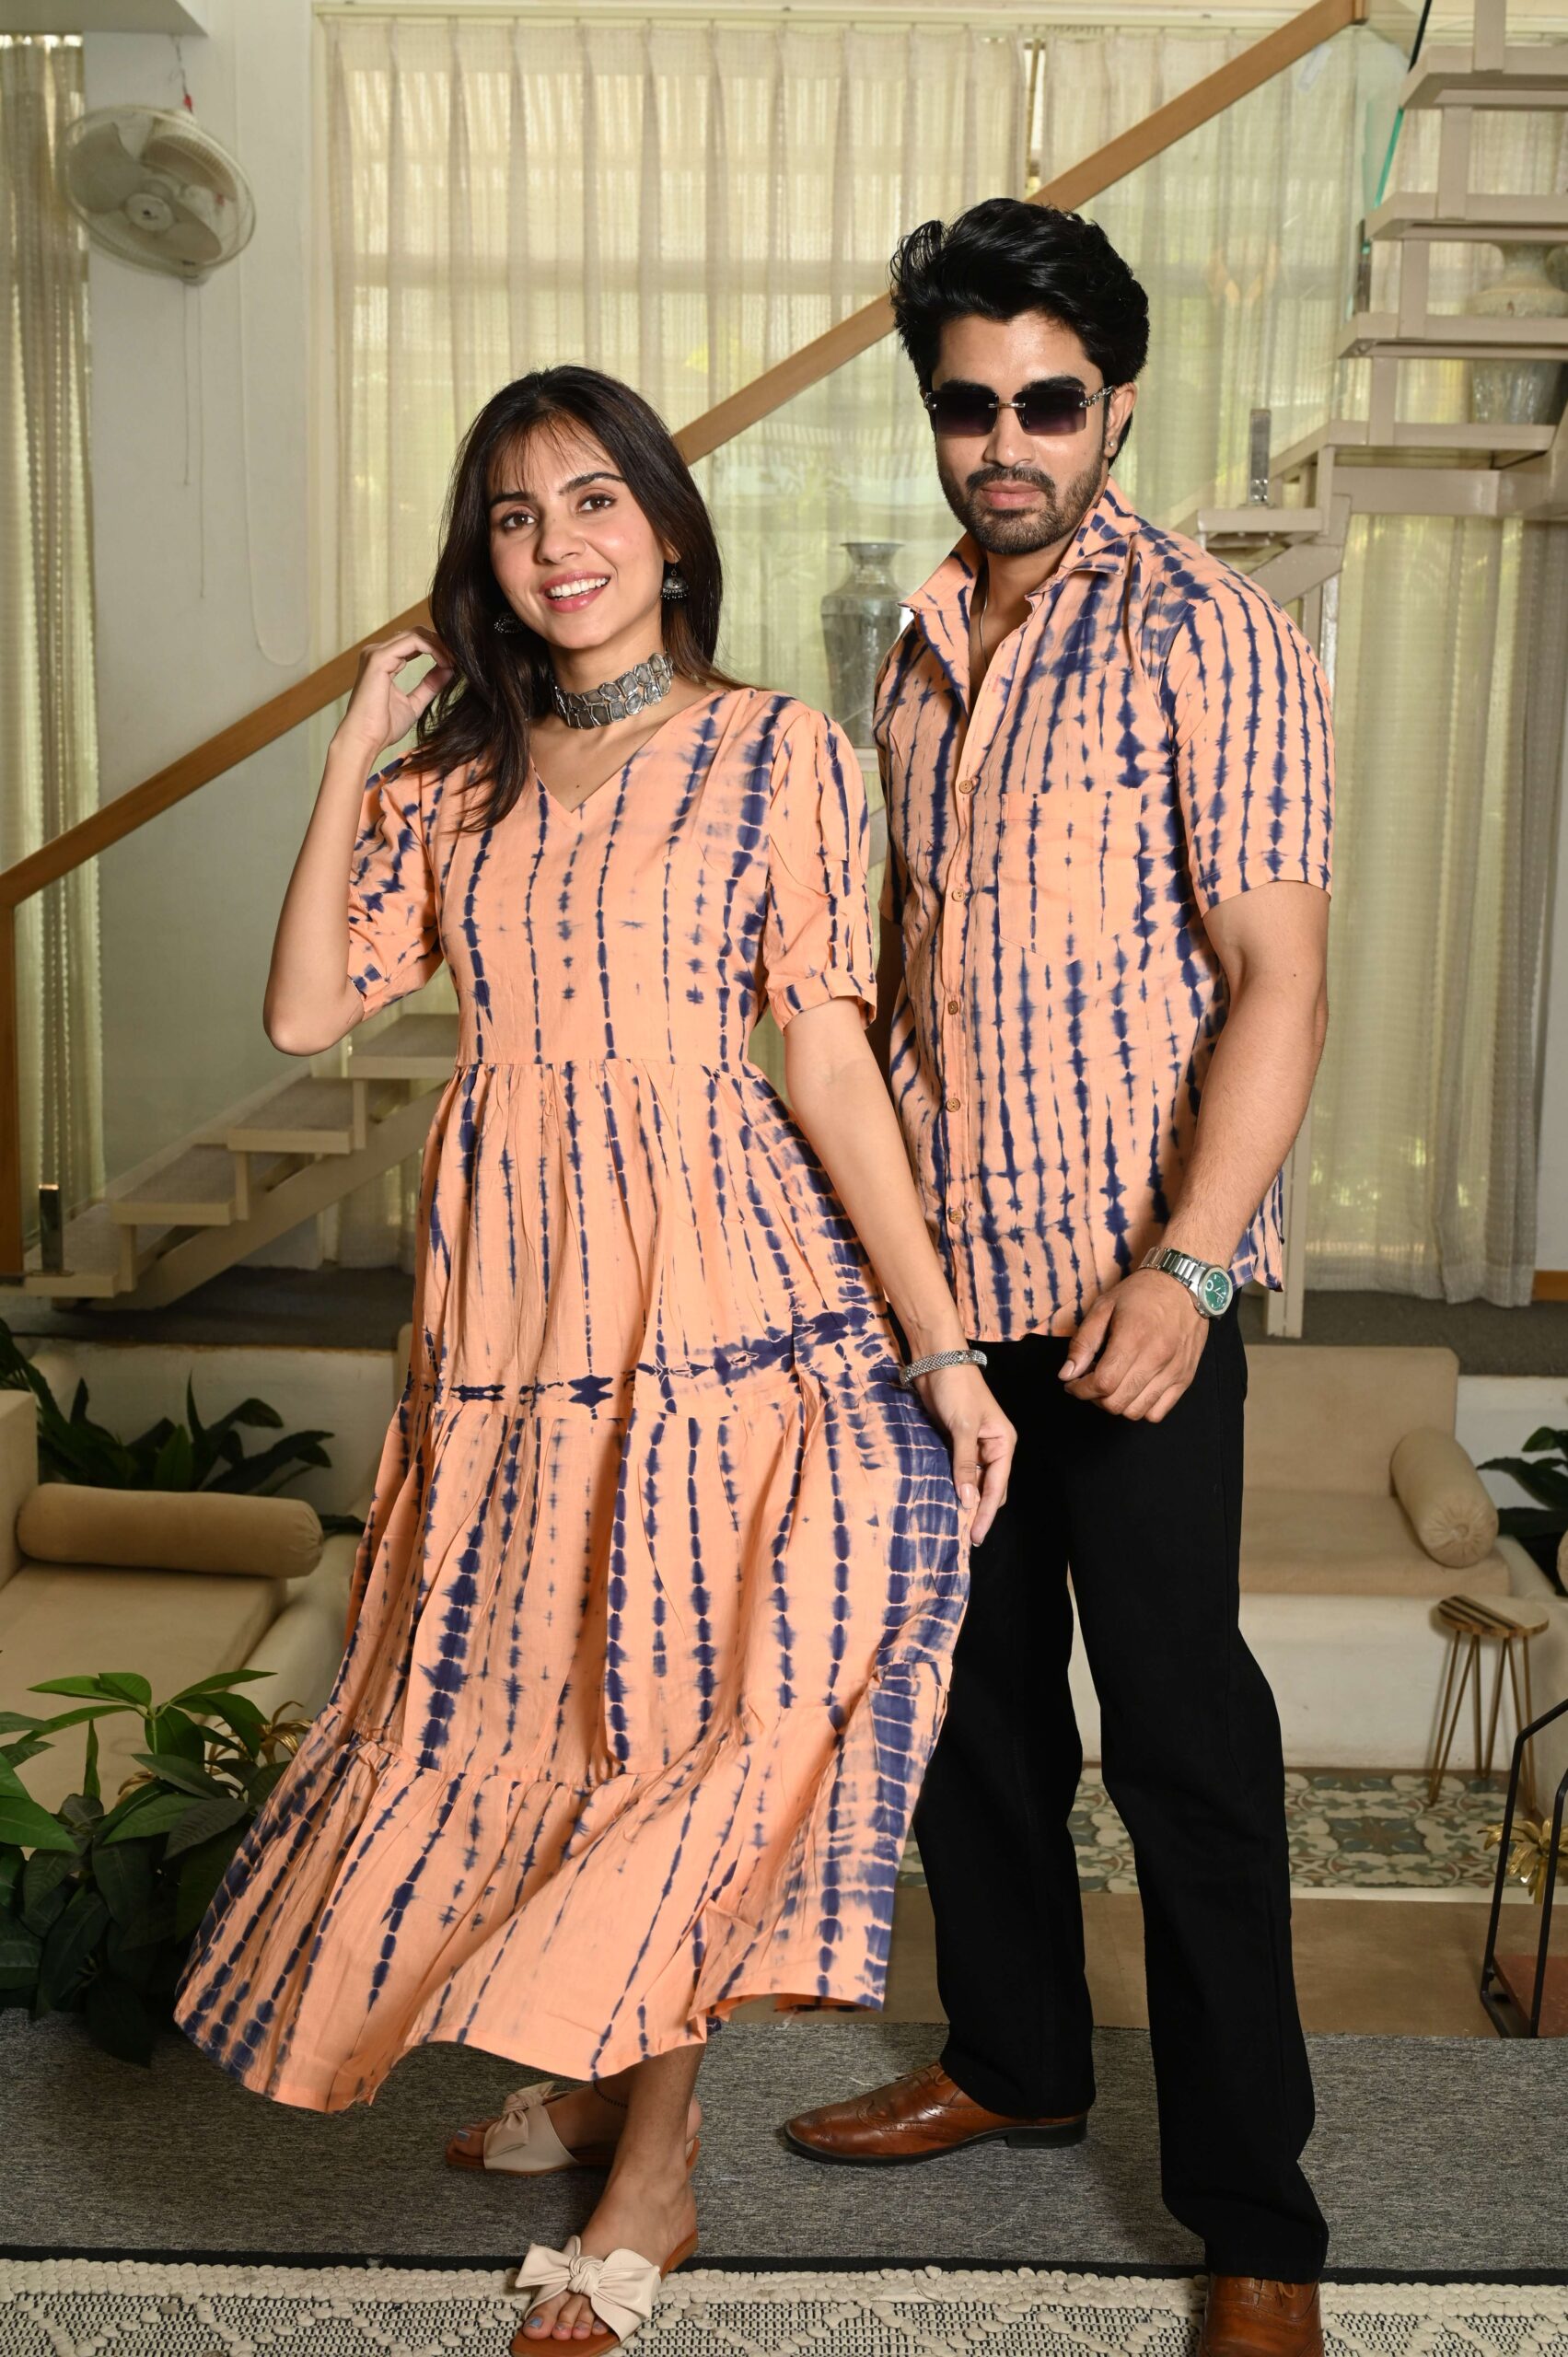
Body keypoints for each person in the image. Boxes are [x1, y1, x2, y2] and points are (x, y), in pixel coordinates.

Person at [172, 364, 1015, 2355]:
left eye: (592, 500)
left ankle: (657, 2167)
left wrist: (942, 1341)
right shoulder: (455, 782)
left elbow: (826, 1054)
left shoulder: (774, 750)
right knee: (542, 1697)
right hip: (517, 1315)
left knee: (692, 1719)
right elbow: (304, 1010)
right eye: (513, 516)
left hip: (723, 1295)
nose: (557, 545)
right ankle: (588, 2062)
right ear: (484, 561)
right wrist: (350, 747)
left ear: (667, 527)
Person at [783, 200, 1334, 2357]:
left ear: (1116, 404)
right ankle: (1014, 2054)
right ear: (931, 410)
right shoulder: (911, 643)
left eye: (1046, 401)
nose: (1002, 442)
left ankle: (1257, 2218)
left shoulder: (1215, 635)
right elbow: (908, 976)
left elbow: (1279, 979)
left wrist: (1187, 1267)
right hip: (943, 1299)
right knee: (968, 1707)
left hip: (1135, 1300)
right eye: (967, 404)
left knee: (1182, 1742)